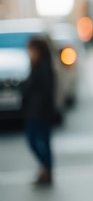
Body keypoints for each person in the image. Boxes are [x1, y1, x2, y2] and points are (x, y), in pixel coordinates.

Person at [22, 35, 57, 186]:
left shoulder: (43, 66)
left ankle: (47, 170)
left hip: (40, 114)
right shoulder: (37, 65)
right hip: (37, 112)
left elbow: (45, 92)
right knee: (41, 142)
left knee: (35, 140)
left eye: (31, 50)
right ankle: (46, 171)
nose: (29, 53)